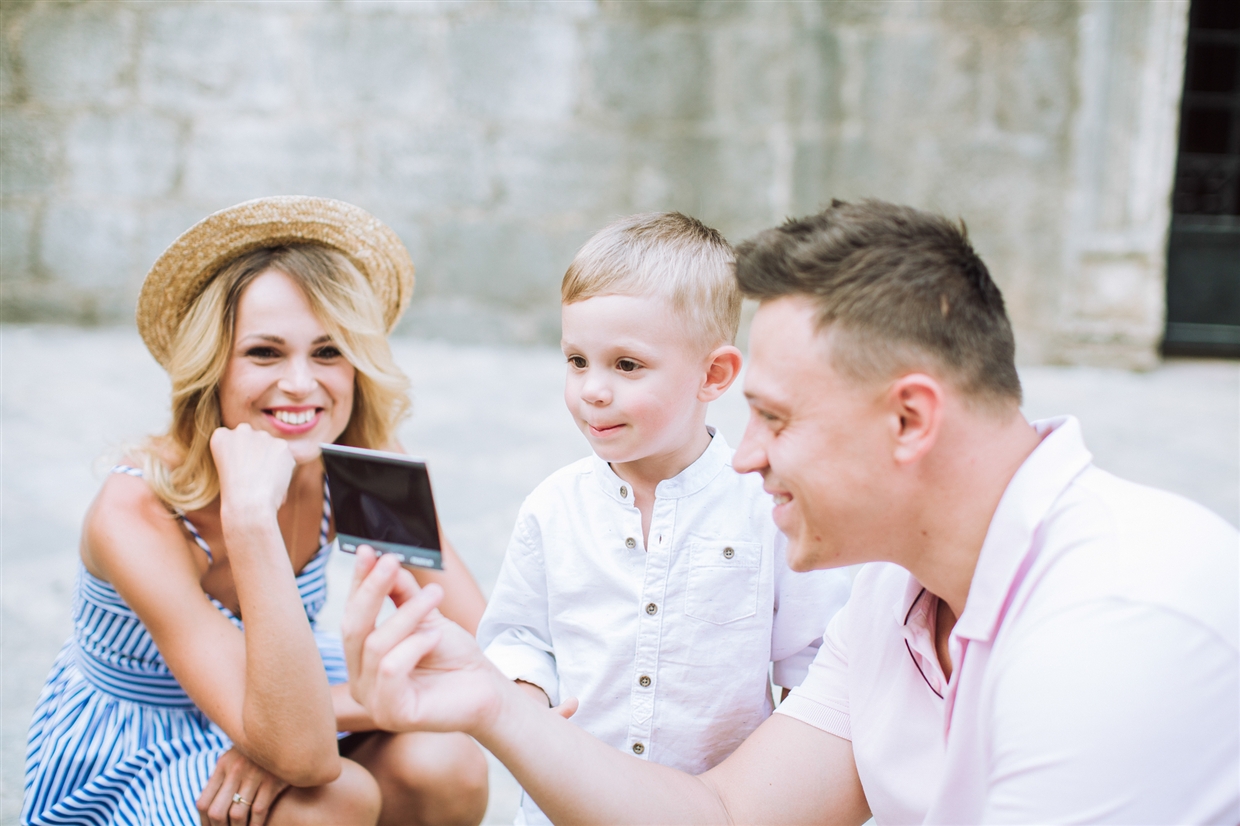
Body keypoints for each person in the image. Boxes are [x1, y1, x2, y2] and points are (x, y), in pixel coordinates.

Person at [342, 200, 1239, 824]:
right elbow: (725, 812)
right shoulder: (892, 600)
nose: (744, 455)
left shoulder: (1118, 624)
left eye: (773, 418)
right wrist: (500, 708)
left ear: (910, 418)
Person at [23, 197, 491, 826]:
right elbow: (304, 758)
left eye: (328, 353)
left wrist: (341, 709)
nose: (301, 384)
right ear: (213, 367)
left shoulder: (354, 459)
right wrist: (249, 517)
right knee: (332, 799)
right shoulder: (134, 509)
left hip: (294, 689)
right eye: (265, 353)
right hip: (140, 741)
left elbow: (486, 648)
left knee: (448, 762)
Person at [475, 213, 852, 823]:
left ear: (714, 374)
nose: (593, 390)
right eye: (576, 360)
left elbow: (816, 666)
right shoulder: (554, 507)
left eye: (627, 366)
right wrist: (527, 698)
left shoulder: (767, 509)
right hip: (568, 806)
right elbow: (519, 636)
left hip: (712, 804)